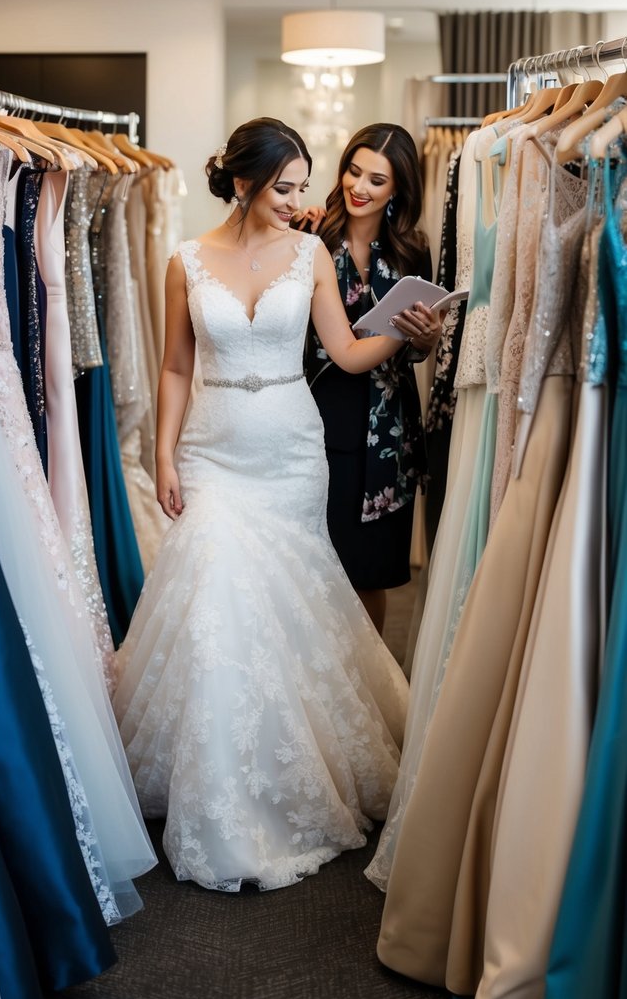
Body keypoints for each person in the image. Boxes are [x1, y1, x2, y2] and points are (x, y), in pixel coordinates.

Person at [112, 117, 431, 894]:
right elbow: (177, 368)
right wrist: (162, 454)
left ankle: (289, 764)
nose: (300, 201)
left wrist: (405, 331)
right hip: (213, 451)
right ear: (247, 183)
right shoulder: (184, 260)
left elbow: (349, 351)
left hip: (292, 452)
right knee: (219, 599)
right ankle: (219, 782)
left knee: (291, 607)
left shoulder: (310, 253)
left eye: (300, 187)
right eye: (285, 188)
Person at [302, 124, 443, 636]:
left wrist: (426, 338)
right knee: (319, 571)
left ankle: (369, 700)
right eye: (353, 171)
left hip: (388, 437)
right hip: (320, 421)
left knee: (369, 579)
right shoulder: (309, 235)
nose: (358, 187)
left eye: (376, 180)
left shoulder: (411, 253)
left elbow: (418, 354)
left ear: (398, 189)